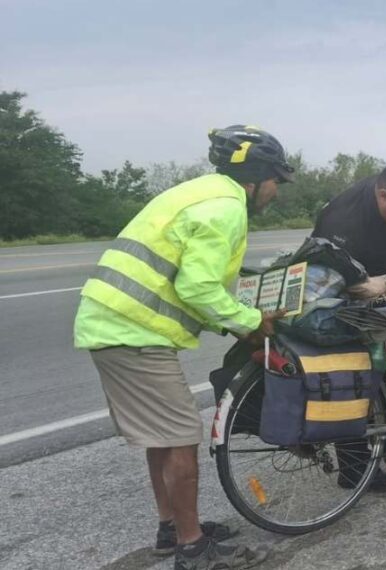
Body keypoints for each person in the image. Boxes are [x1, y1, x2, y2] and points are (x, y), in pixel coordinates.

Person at [74, 125, 294, 569]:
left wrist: (233, 321)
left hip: (114, 323)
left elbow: (190, 283)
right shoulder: (226, 207)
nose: (276, 192)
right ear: (256, 177)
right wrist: (252, 321)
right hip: (132, 331)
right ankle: (192, 549)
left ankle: (171, 528)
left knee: (163, 435)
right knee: (180, 437)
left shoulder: (198, 192)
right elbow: (198, 287)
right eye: (276, 181)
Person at [310, 159, 386, 492]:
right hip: (337, 301)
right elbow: (332, 278)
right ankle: (355, 468)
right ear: (383, 195)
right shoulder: (343, 219)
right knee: (353, 379)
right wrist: (377, 286)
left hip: (372, 295)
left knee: (382, 363)